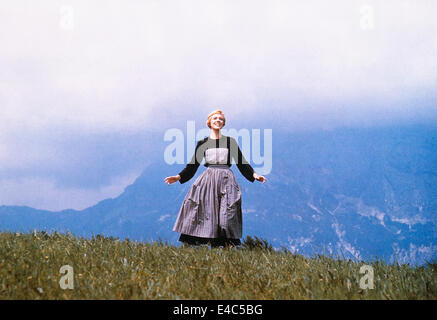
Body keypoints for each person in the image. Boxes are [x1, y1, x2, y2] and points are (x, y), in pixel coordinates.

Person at [164, 110, 266, 247]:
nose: (218, 120)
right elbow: (193, 165)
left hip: (226, 179)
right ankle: (202, 242)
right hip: (208, 180)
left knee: (228, 213)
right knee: (206, 212)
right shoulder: (203, 143)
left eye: (220, 119)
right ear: (209, 122)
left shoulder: (230, 142)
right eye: (215, 118)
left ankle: (225, 244)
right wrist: (178, 177)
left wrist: (254, 175)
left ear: (223, 123)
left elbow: (241, 162)